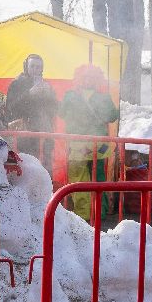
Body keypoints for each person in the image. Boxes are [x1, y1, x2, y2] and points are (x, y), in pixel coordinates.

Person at [60, 65, 119, 216]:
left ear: (96, 79)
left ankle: (93, 213)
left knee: (93, 177)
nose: (88, 79)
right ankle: (91, 213)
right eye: (85, 76)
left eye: (91, 77)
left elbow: (112, 115)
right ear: (79, 78)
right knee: (89, 177)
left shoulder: (98, 96)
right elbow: (61, 113)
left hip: (89, 144)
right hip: (83, 143)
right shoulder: (71, 95)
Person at [4, 54, 62, 134]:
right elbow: (10, 108)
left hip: (44, 132)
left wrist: (49, 95)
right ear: (26, 67)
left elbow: (55, 110)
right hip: (23, 134)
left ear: (42, 69)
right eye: (32, 66)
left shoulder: (46, 85)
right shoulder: (16, 84)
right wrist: (29, 93)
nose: (35, 69)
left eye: (38, 67)